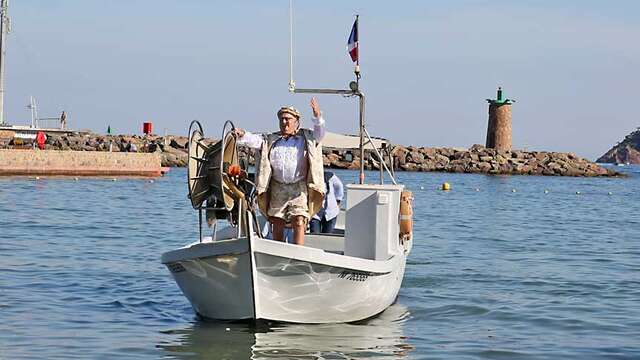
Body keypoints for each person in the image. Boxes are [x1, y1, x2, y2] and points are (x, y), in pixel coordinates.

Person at [235, 98, 326, 246]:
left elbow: (319, 134)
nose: (284, 122)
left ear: (296, 121)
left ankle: (298, 252)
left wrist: (317, 116)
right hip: (278, 186)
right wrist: (243, 134)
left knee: (299, 219)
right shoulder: (272, 139)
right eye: (282, 119)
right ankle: (277, 250)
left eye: (288, 119)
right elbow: (256, 142)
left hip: (299, 186)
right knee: (277, 220)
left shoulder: (306, 137)